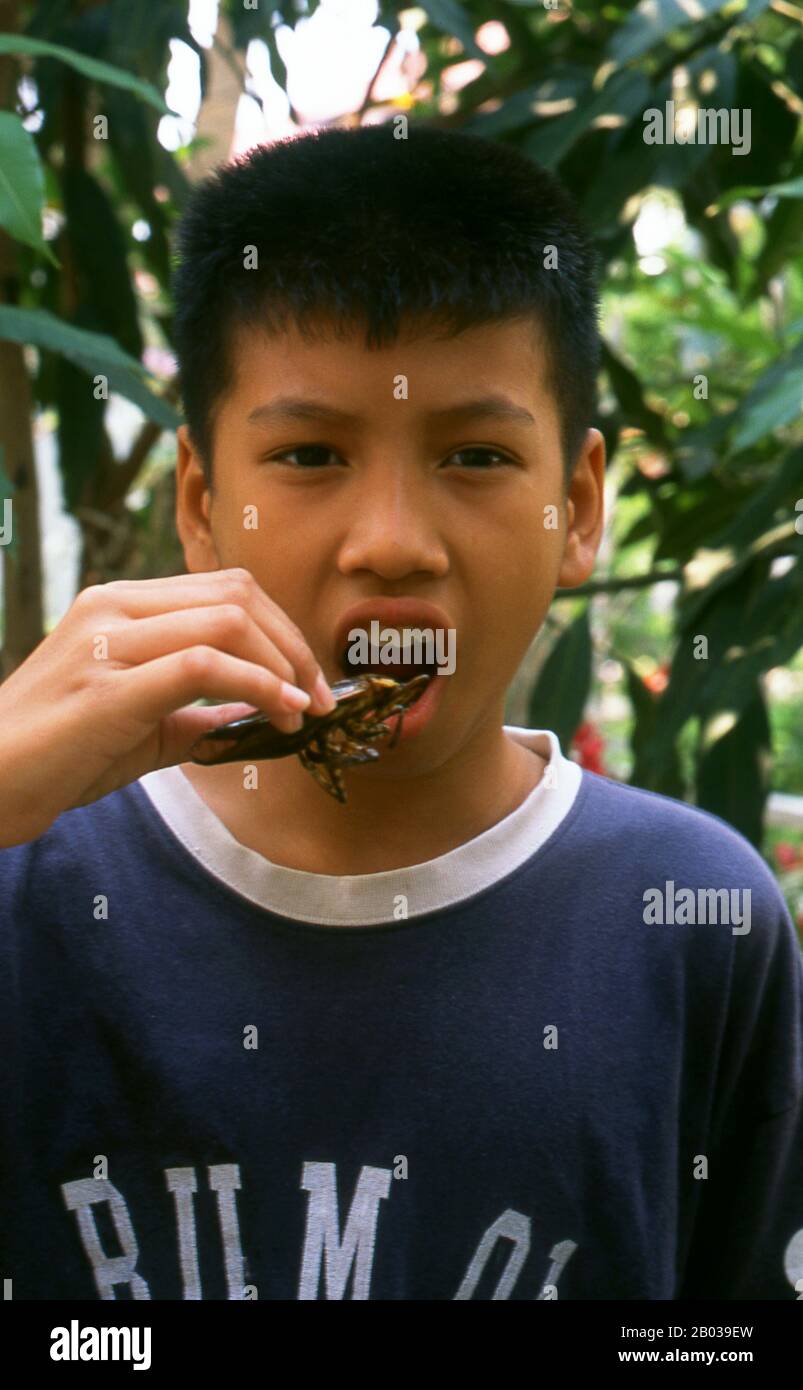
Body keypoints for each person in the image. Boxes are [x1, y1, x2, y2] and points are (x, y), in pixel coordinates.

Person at [1, 123, 801, 1302]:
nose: (390, 542)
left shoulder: (693, 919)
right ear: (201, 503)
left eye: (474, 456)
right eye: (312, 453)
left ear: (575, 508)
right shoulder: (27, 879)